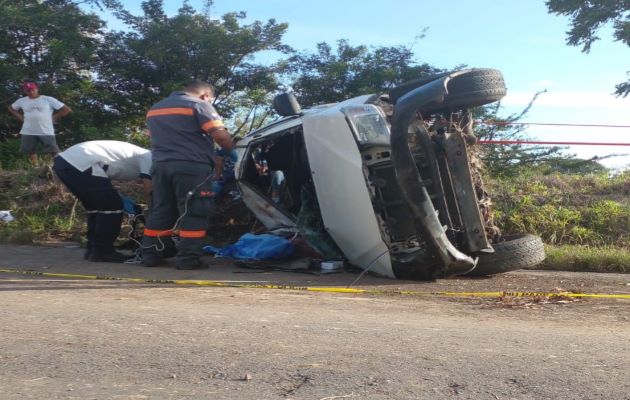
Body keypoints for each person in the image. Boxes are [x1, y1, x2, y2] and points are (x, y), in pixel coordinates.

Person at [141, 81, 234, 270]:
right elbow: (221, 136)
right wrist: (232, 150)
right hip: (191, 167)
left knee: (161, 210)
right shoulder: (199, 105)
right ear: (205, 95)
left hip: (160, 166)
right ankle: (188, 260)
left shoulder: (155, 108)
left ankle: (150, 255)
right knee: (194, 211)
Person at [52, 140, 152, 263]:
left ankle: (93, 249)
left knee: (96, 207)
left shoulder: (138, 155)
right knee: (112, 206)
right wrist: (153, 210)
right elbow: (148, 188)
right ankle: (103, 251)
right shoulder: (151, 157)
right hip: (83, 161)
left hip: (65, 162)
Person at [8, 82, 72, 165]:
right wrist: (20, 116)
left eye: (32, 90)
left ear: (37, 89)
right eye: (28, 90)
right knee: (30, 151)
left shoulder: (48, 99)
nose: (31, 92)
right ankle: (35, 168)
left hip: (46, 130)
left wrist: (54, 117)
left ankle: (58, 167)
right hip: (28, 130)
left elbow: (66, 109)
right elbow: (11, 108)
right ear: (25, 91)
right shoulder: (21, 101)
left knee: (53, 151)